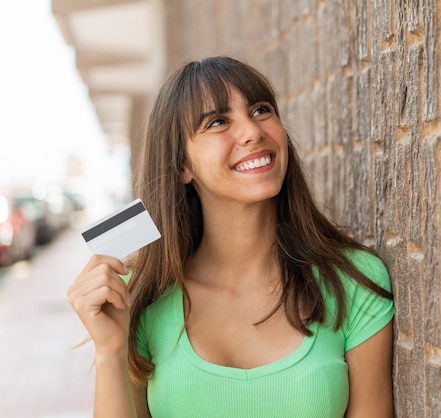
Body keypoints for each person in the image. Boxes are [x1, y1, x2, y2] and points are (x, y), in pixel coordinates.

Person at [67, 56, 394, 418]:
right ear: (182, 166)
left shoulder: (353, 282)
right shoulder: (139, 298)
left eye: (261, 109)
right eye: (219, 121)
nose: (253, 131)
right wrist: (110, 350)